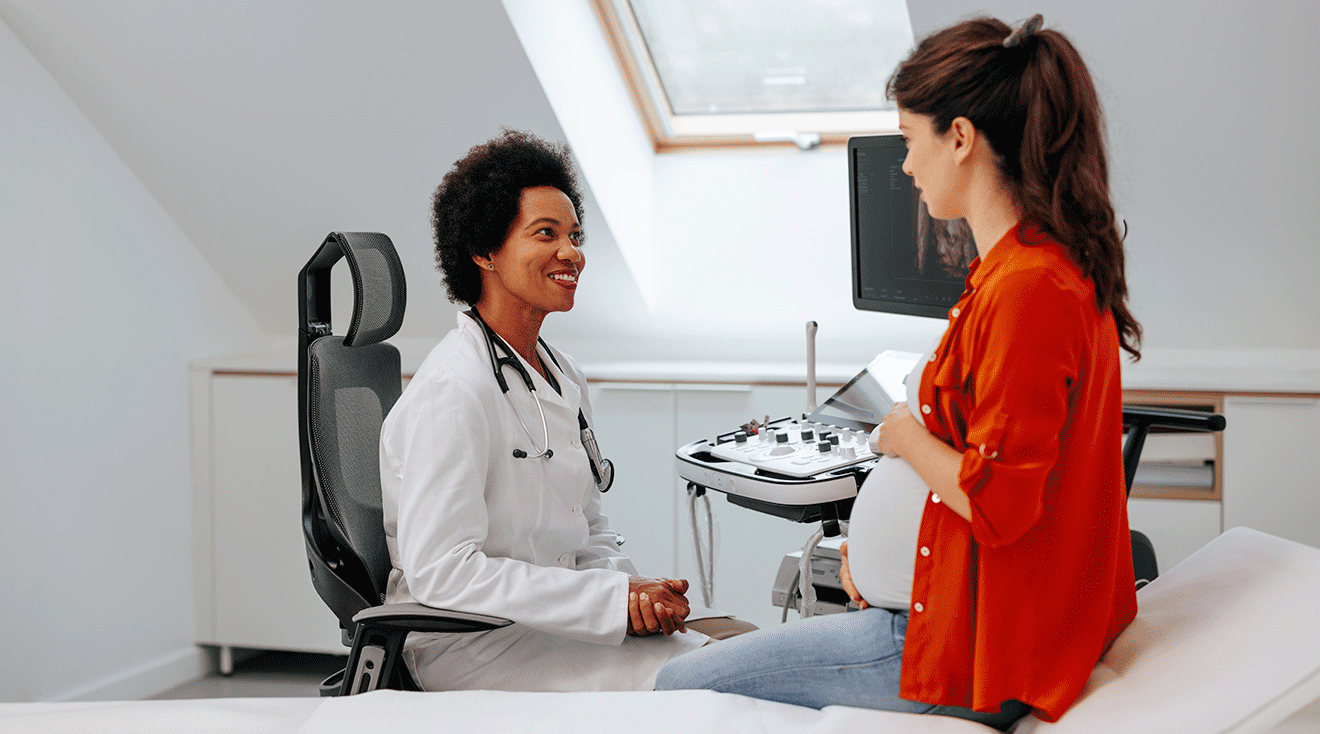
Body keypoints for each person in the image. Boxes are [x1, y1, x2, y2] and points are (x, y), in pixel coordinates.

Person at [656, 14, 1141, 729]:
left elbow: (999, 505)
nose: (907, 166)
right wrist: (891, 575)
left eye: (912, 141)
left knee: (676, 685)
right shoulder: (1022, 268)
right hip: (952, 613)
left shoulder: (1028, 290)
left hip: (976, 652)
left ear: (961, 138)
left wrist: (902, 437)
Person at [379, 129, 711, 692]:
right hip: (473, 643)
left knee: (717, 661)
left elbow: (588, 526)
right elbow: (442, 572)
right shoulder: (454, 390)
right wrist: (606, 603)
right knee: (698, 686)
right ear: (484, 251)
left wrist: (632, 596)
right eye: (546, 234)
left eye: (575, 235)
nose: (572, 253)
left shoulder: (560, 373)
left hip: (552, 625)